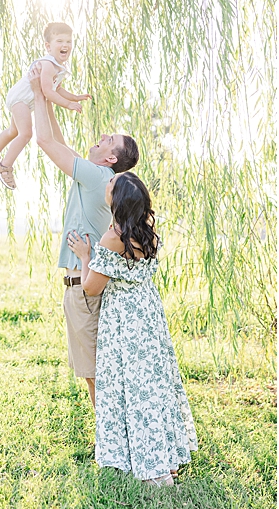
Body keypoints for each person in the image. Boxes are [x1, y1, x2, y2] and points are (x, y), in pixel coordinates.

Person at [67, 172, 198, 486]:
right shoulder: (148, 232)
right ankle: (166, 458)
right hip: (149, 315)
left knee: (132, 389)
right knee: (153, 386)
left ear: (118, 199)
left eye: (111, 185)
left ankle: (151, 466)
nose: (107, 185)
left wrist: (86, 256)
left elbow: (92, 287)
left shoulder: (114, 237)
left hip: (125, 320)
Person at [27, 66, 139, 409]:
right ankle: (110, 437)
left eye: (109, 140)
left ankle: (108, 440)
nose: (103, 136)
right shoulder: (96, 175)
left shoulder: (95, 176)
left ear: (110, 158)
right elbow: (59, 144)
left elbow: (45, 142)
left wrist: (34, 91)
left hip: (83, 288)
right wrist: (46, 99)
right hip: (82, 285)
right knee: (95, 369)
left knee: (94, 371)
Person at [0, 22, 91, 190]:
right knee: (26, 133)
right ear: (48, 46)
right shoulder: (47, 64)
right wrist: (68, 104)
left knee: (14, 131)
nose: (65, 45)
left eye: (69, 42)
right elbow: (48, 92)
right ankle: (5, 166)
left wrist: (75, 96)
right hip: (22, 99)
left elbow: (58, 89)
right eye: (60, 41)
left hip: (25, 100)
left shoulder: (58, 67)